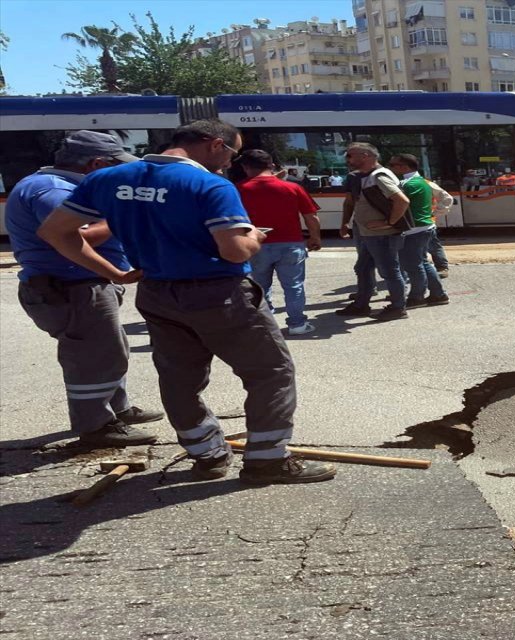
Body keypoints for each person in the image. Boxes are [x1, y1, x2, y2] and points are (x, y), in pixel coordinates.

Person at [38, 119, 337, 485]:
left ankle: (207, 454)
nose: (230, 162)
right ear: (215, 144)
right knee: (270, 372)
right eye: (232, 153)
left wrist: (112, 273)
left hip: (157, 293)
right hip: (220, 293)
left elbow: (54, 231)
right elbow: (233, 251)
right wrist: (254, 238)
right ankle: (267, 460)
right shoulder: (209, 184)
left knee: (179, 379)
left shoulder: (107, 179)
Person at [6, 130, 164, 448]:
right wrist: (121, 220)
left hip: (78, 284)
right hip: (73, 287)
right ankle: (96, 427)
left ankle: (116, 409)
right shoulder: (53, 189)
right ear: (96, 164)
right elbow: (77, 235)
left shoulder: (56, 185)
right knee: (92, 357)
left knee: (107, 350)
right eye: (116, 167)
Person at [236, 149, 323, 335]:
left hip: (255, 244)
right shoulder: (292, 187)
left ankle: (265, 323)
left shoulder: (238, 189)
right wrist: (315, 237)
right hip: (291, 244)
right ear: (272, 165)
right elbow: (311, 216)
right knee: (293, 286)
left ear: (245, 167)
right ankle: (297, 324)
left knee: (259, 287)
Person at [336, 142, 412, 321]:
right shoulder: (366, 176)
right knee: (363, 268)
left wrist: (388, 222)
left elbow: (402, 201)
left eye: (350, 155)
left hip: (382, 236)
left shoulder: (379, 176)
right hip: (371, 235)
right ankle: (361, 305)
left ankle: (398, 308)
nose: (347, 159)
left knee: (389, 272)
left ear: (365, 156)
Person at [386, 153, 450, 307]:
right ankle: (438, 294)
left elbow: (399, 204)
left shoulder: (408, 185)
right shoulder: (421, 182)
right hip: (423, 227)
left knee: (413, 266)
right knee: (422, 263)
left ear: (404, 167)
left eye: (393, 165)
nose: (390, 168)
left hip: (414, 229)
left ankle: (417, 297)